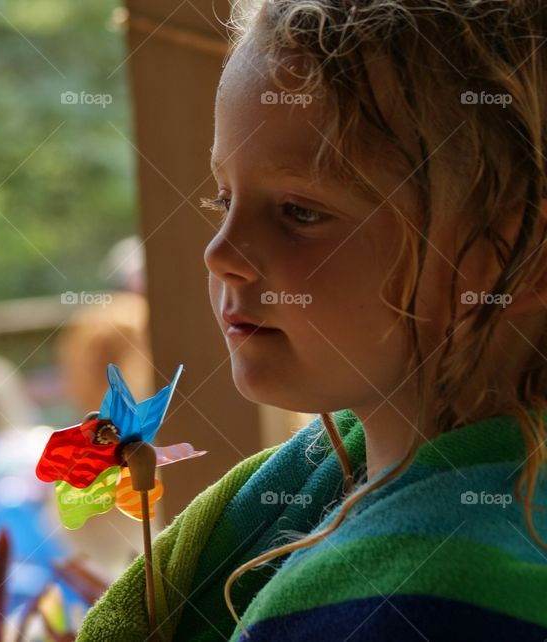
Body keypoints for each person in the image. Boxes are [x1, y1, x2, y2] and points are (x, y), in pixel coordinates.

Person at [78, 1, 547, 640]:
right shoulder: (330, 485)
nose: (220, 254)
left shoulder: (411, 605)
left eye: (299, 211)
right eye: (224, 199)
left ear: (517, 257)